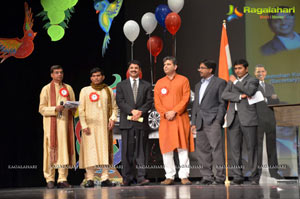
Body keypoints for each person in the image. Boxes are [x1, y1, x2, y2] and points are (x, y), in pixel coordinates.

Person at [154, 56, 194, 185]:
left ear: (175, 67)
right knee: (167, 148)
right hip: (166, 120)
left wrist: (175, 111)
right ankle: (169, 176)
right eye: (164, 64)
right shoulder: (159, 82)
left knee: (182, 147)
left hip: (180, 118)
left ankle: (184, 176)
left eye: (168, 64)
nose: (165, 66)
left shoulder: (183, 80)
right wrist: (166, 113)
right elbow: (157, 102)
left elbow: (185, 98)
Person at [221, 59, 260, 185]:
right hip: (233, 118)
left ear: (246, 69)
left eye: (240, 68)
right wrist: (239, 97)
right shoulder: (231, 82)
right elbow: (224, 95)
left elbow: (249, 91)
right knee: (235, 149)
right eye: (236, 69)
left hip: (248, 118)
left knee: (251, 148)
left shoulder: (253, 80)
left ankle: (254, 177)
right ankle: (238, 176)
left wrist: (236, 82)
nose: (237, 71)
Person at [78, 67, 118, 188]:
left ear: (103, 77)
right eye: (94, 76)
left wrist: (112, 118)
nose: (96, 78)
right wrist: (84, 125)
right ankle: (90, 178)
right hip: (89, 127)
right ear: (91, 78)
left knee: (104, 151)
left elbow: (114, 108)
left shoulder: (108, 91)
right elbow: (81, 109)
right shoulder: (85, 90)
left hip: (104, 127)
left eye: (98, 75)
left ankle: (105, 178)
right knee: (90, 152)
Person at [116, 60, 153, 186]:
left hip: (141, 122)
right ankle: (127, 177)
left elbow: (149, 102)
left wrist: (140, 112)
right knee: (126, 152)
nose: (133, 70)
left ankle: (141, 177)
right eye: (131, 68)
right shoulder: (121, 85)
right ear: (128, 70)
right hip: (127, 123)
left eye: (136, 68)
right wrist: (132, 111)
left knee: (141, 151)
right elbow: (120, 102)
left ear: (139, 70)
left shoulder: (146, 85)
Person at [39, 65, 76, 189]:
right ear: (51, 75)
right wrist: (55, 108)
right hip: (51, 126)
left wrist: (73, 107)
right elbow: (42, 108)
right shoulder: (46, 89)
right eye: (56, 73)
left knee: (64, 151)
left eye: (61, 72)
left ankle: (62, 178)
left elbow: (75, 107)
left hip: (66, 125)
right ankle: (49, 179)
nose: (59, 74)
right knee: (51, 151)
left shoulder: (68, 88)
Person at [191, 59, 227, 185]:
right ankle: (207, 176)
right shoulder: (198, 85)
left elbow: (223, 103)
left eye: (202, 68)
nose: (199, 70)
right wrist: (193, 122)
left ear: (210, 70)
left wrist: (218, 120)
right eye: (199, 67)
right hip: (200, 121)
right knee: (202, 150)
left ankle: (220, 177)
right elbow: (196, 105)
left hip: (213, 121)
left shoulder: (220, 83)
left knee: (216, 149)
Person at [254, 64, 283, 179]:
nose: (260, 73)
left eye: (262, 71)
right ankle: (257, 173)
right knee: (258, 148)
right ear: (255, 73)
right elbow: (256, 101)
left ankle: (274, 172)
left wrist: (266, 99)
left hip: (270, 119)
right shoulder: (253, 86)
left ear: (265, 73)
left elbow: (277, 100)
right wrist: (269, 98)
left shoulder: (270, 86)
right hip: (258, 119)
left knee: (272, 147)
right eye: (258, 72)